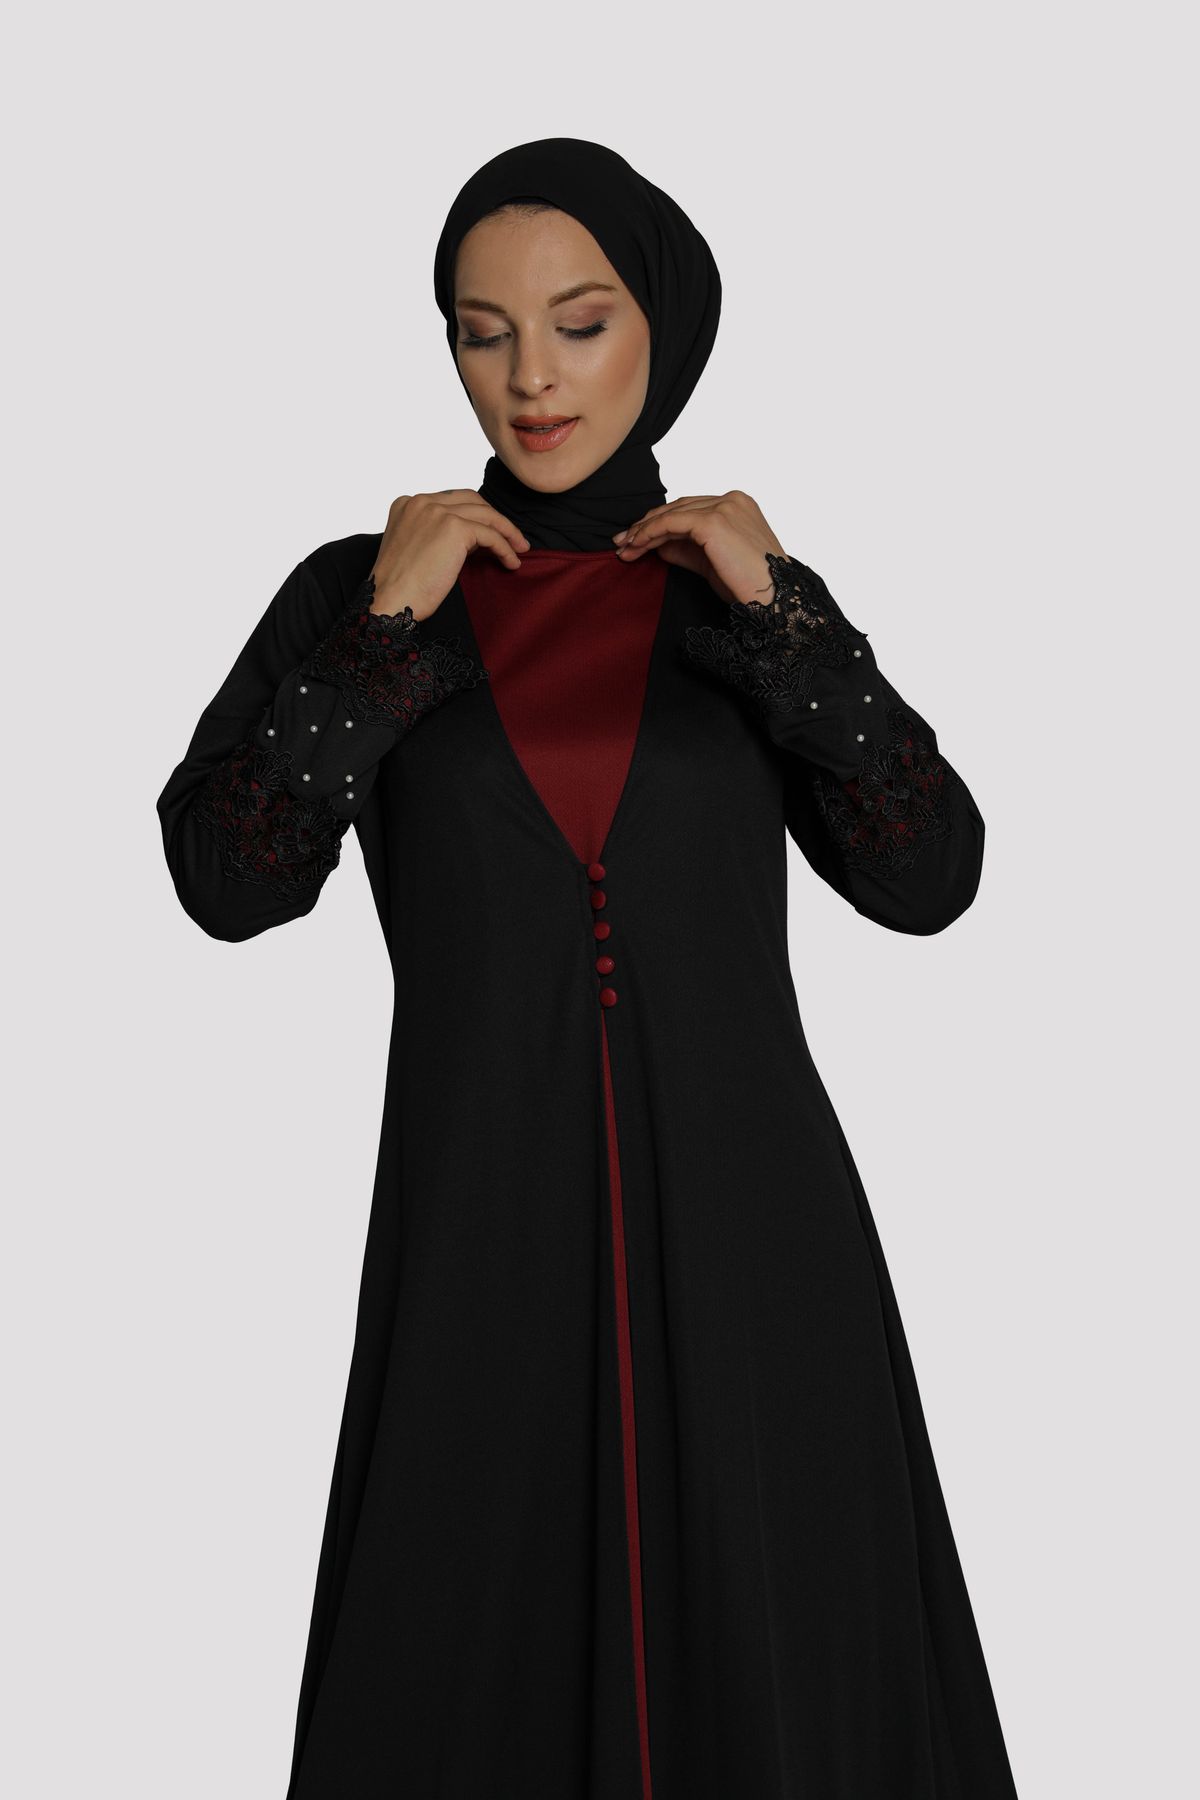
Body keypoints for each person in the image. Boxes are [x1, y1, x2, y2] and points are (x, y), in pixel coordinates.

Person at [156, 137, 1020, 1800]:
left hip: (761, 1251)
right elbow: (228, 883)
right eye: (482, 332)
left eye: (580, 321)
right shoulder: (362, 593)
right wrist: (383, 633)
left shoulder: (741, 596)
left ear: (664, 326)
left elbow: (930, 878)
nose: (531, 378)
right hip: (484, 1234)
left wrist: (786, 617)